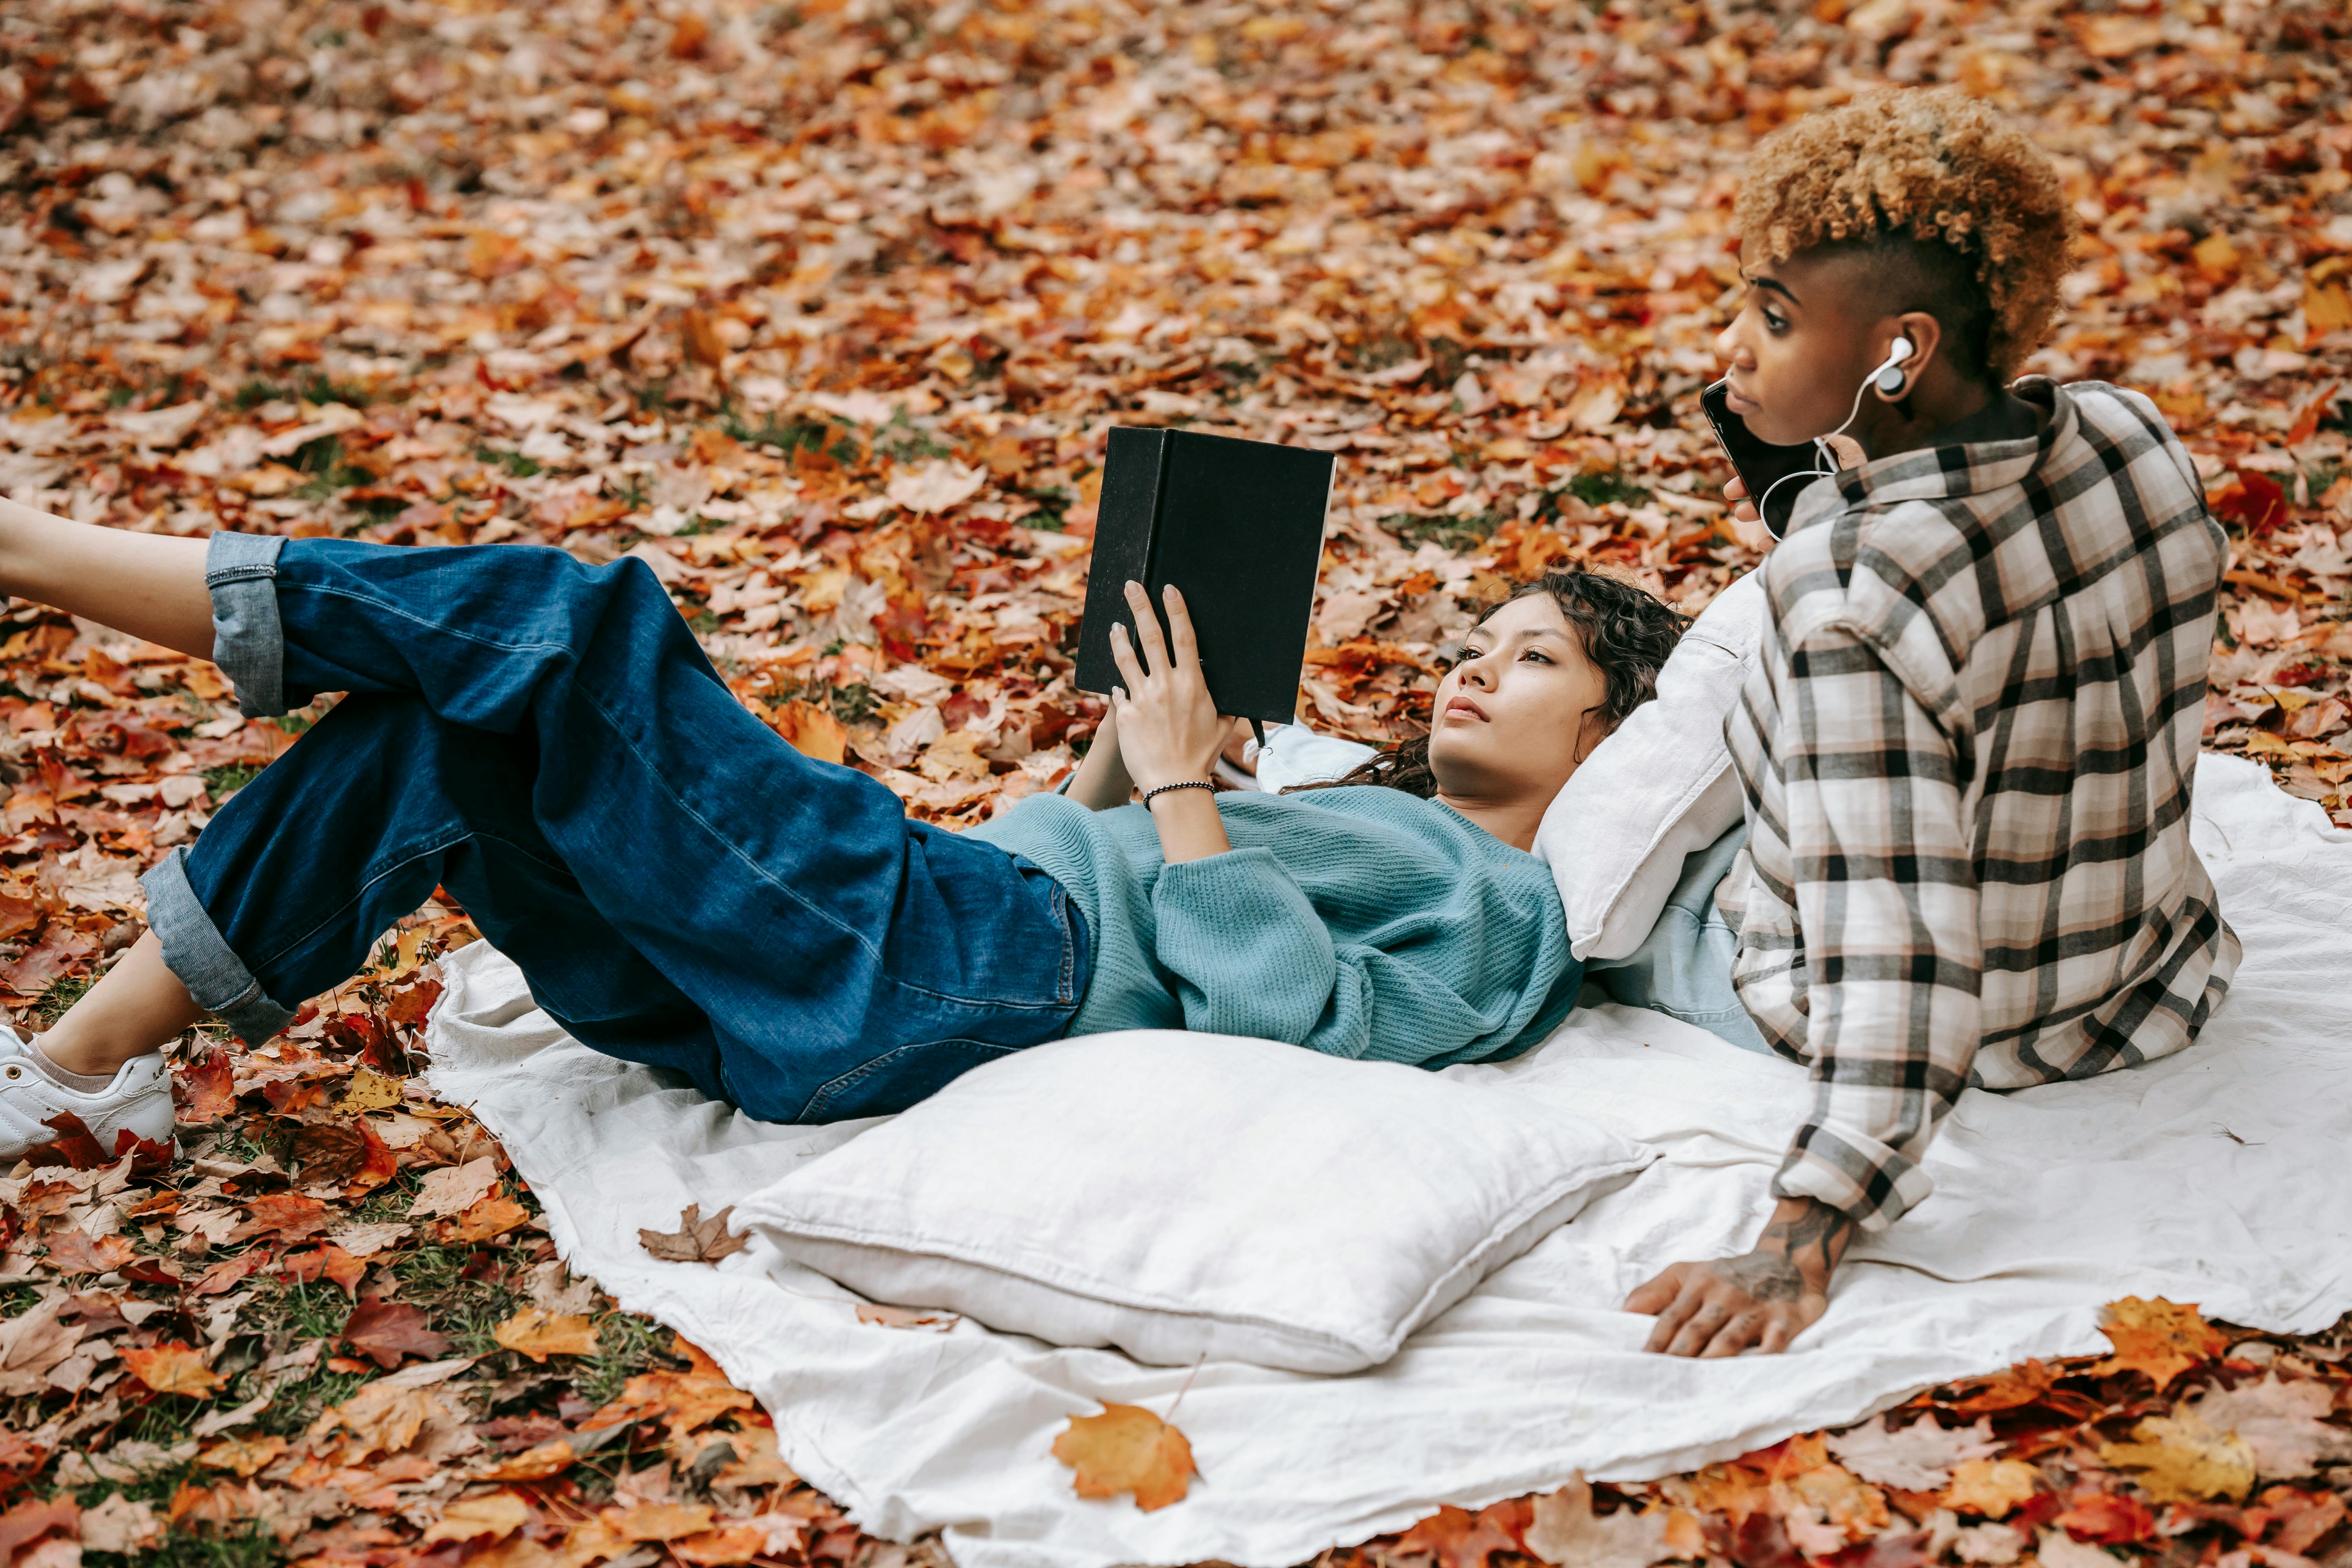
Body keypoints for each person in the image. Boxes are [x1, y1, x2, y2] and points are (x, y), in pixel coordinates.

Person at [0, 497, 1689, 1160]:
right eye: (1478, 639)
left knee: (575, 629)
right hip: (859, 986)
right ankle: (92, 1079)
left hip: (947, 972)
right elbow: (1078, 864)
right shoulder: (1352, 793)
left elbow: (1285, 1028)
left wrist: (1186, 796)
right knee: (445, 735)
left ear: (1612, 731)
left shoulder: (1510, 910)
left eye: (1532, 656)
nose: (1474, 663)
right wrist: (1131, 759)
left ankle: (40, 548)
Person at [1621, 87, 2239, 1357]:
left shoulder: (1851, 603)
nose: (1730, 346)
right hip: (2144, 970)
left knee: (1584, 891)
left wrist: (1802, 1232)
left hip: (1984, 1021)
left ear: (1899, 356)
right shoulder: (2129, 433)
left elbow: (1904, 964)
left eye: (1773, 318)